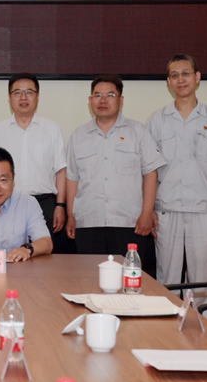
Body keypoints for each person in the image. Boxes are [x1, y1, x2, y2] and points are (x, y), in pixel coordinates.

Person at [146, 54, 207, 315]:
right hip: (166, 211)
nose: (180, 79)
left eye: (186, 73)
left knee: (203, 281)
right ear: (168, 82)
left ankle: (206, 333)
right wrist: (148, 209)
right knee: (167, 280)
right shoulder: (157, 120)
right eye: (174, 75)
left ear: (197, 77)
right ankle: (166, 333)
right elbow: (149, 170)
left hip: (205, 211)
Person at [66, 74, 166, 258]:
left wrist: (147, 213)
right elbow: (72, 178)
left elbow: (150, 174)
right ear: (90, 100)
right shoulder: (78, 136)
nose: (103, 100)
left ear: (121, 101)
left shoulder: (138, 131)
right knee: (90, 275)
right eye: (98, 95)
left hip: (129, 223)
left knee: (128, 275)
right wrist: (71, 216)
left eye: (110, 95)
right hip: (88, 223)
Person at [0, 73, 74, 254]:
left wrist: (60, 206)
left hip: (45, 204)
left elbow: (61, 170)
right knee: (11, 256)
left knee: (46, 257)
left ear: (37, 96)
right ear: (9, 97)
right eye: (17, 93)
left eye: (29, 92)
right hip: (9, 204)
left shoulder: (52, 129)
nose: (23, 97)